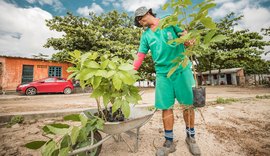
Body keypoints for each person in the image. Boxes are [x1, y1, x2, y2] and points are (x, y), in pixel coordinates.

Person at [133, 7, 201, 156]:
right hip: (163, 74)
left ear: (148, 13)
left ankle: (191, 138)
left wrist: (189, 40)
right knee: (166, 107)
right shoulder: (146, 36)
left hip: (181, 69)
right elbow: (140, 56)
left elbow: (185, 35)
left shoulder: (169, 21)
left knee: (188, 105)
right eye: (138, 20)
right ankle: (169, 142)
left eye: (140, 17)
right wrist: (130, 71)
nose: (140, 21)